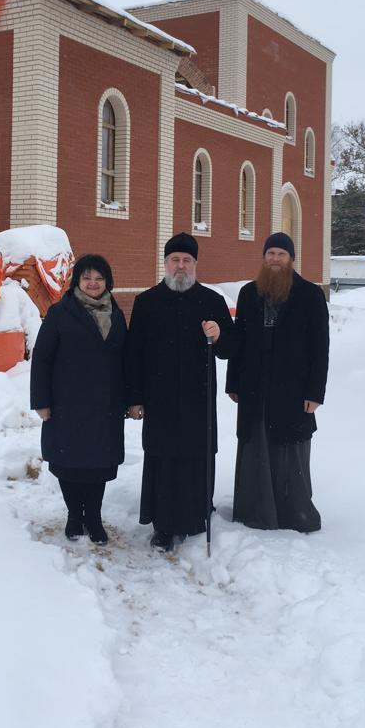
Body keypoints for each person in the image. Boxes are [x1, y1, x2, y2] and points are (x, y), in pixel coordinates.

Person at [125, 233, 233, 552]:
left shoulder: (212, 302)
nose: (181, 266)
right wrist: (134, 397)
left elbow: (231, 349)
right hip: (159, 399)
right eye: (175, 260)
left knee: (195, 459)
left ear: (195, 264)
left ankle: (194, 517)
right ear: (165, 263)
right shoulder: (147, 302)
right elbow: (133, 354)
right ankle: (163, 525)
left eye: (187, 260)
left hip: (198, 399)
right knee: (163, 460)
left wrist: (220, 334)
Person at [226, 232, 329, 533]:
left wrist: (315, 392)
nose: (275, 259)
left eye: (281, 254)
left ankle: (293, 513)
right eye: (270, 254)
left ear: (291, 259)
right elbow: (240, 341)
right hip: (255, 384)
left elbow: (320, 348)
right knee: (255, 444)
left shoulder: (310, 295)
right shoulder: (248, 293)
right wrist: (233, 383)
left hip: (293, 387)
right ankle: (254, 510)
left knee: (289, 448)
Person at [30, 254, 126, 546]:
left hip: (106, 404)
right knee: (69, 462)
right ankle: (74, 515)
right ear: (77, 282)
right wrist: (41, 401)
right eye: (87, 278)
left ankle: (93, 517)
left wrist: (130, 397)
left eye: (99, 278)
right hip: (67, 404)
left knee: (99, 464)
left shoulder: (116, 313)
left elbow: (125, 358)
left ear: (107, 282)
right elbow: (42, 358)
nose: (93, 283)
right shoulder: (60, 313)